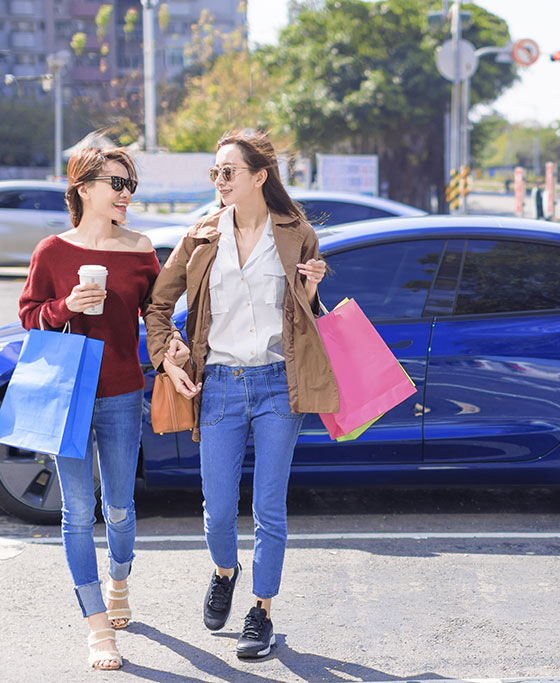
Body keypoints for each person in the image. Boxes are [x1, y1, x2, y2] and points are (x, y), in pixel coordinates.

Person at [144, 129, 338, 659]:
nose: (219, 180)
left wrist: (312, 290)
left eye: (228, 171)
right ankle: (225, 571)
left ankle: (262, 611)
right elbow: (157, 305)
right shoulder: (202, 235)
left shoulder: (296, 233)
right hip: (220, 385)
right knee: (218, 508)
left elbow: (306, 317)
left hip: (278, 382)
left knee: (269, 505)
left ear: (259, 176)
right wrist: (167, 353)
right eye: (215, 172)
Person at [18, 146, 168, 670]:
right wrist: (65, 307)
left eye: (130, 185)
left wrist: (171, 347)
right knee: (78, 511)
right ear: (84, 188)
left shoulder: (141, 249)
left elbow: (158, 314)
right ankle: (97, 627)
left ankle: (118, 579)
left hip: (123, 392)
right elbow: (29, 315)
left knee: (120, 507)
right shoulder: (52, 251)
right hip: (67, 392)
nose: (126, 194)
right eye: (116, 183)